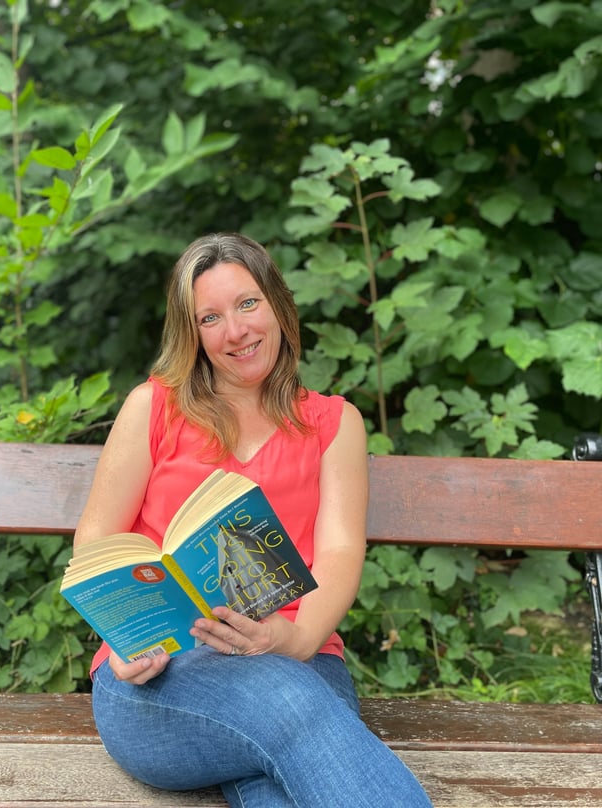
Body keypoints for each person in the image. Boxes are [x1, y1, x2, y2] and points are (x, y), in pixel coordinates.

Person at [73, 233, 432, 807]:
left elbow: (339, 551)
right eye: (210, 318)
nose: (236, 331)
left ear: (278, 306)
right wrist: (125, 636)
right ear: (193, 334)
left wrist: (295, 638)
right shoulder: (155, 406)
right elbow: (97, 539)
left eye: (247, 304)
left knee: (281, 756)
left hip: (298, 655)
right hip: (161, 676)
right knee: (292, 706)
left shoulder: (334, 423)